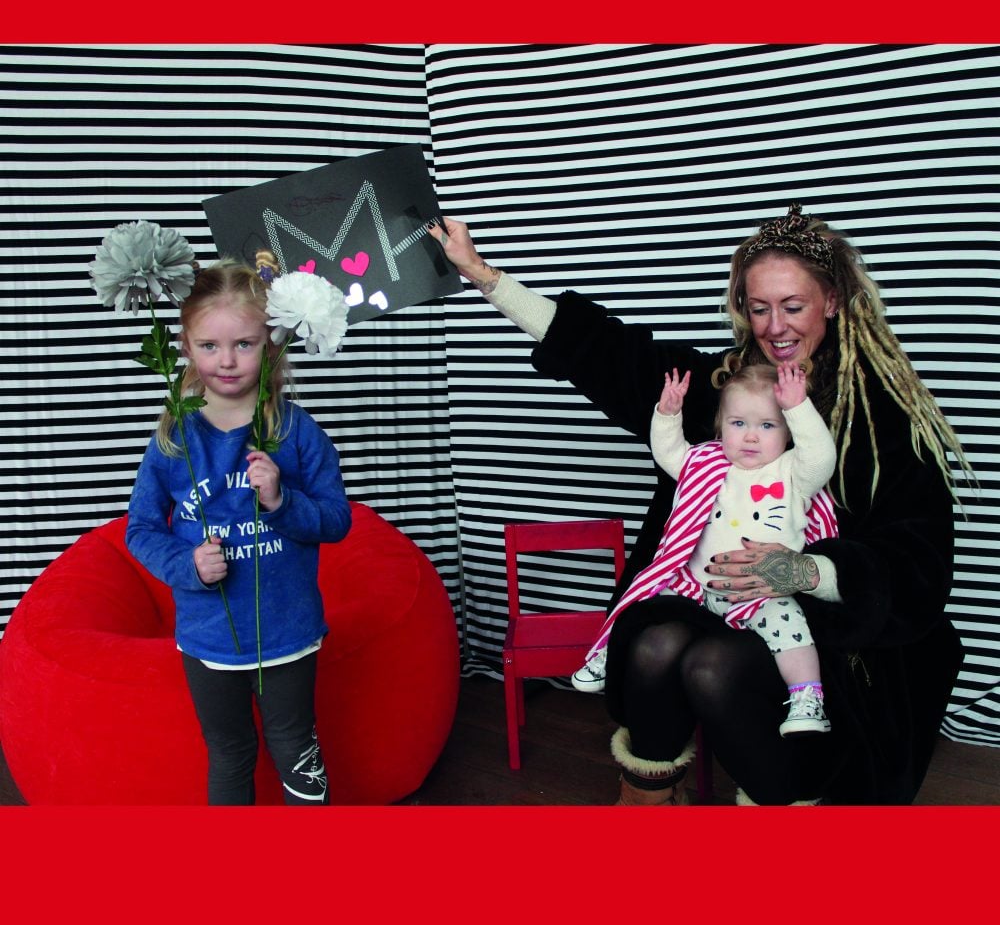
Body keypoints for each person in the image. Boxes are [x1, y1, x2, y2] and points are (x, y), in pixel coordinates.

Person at [428, 204, 970, 805]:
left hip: (822, 631)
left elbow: (918, 559)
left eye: (793, 306)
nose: (775, 326)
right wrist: (482, 274)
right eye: (759, 307)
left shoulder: (877, 416)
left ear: (834, 301)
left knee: (713, 664)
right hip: (704, 592)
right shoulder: (719, 386)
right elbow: (606, 354)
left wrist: (804, 571)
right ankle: (647, 800)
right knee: (656, 644)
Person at [126, 260, 352, 805]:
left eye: (245, 344)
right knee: (229, 753)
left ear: (272, 344)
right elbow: (139, 529)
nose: (226, 361)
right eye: (209, 346)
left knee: (296, 748)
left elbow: (337, 520)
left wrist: (281, 500)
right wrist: (187, 566)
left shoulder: (295, 430)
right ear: (184, 345)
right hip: (208, 639)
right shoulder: (174, 438)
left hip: (288, 635)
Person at [572, 362, 838, 739]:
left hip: (759, 594)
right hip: (694, 586)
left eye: (767, 425)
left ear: (788, 431)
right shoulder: (706, 464)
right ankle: (607, 653)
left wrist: (798, 407)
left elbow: (821, 458)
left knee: (792, 631)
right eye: (738, 423)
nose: (750, 437)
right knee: (643, 606)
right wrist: (667, 414)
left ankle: (807, 697)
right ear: (720, 425)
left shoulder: (793, 472)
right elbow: (670, 454)